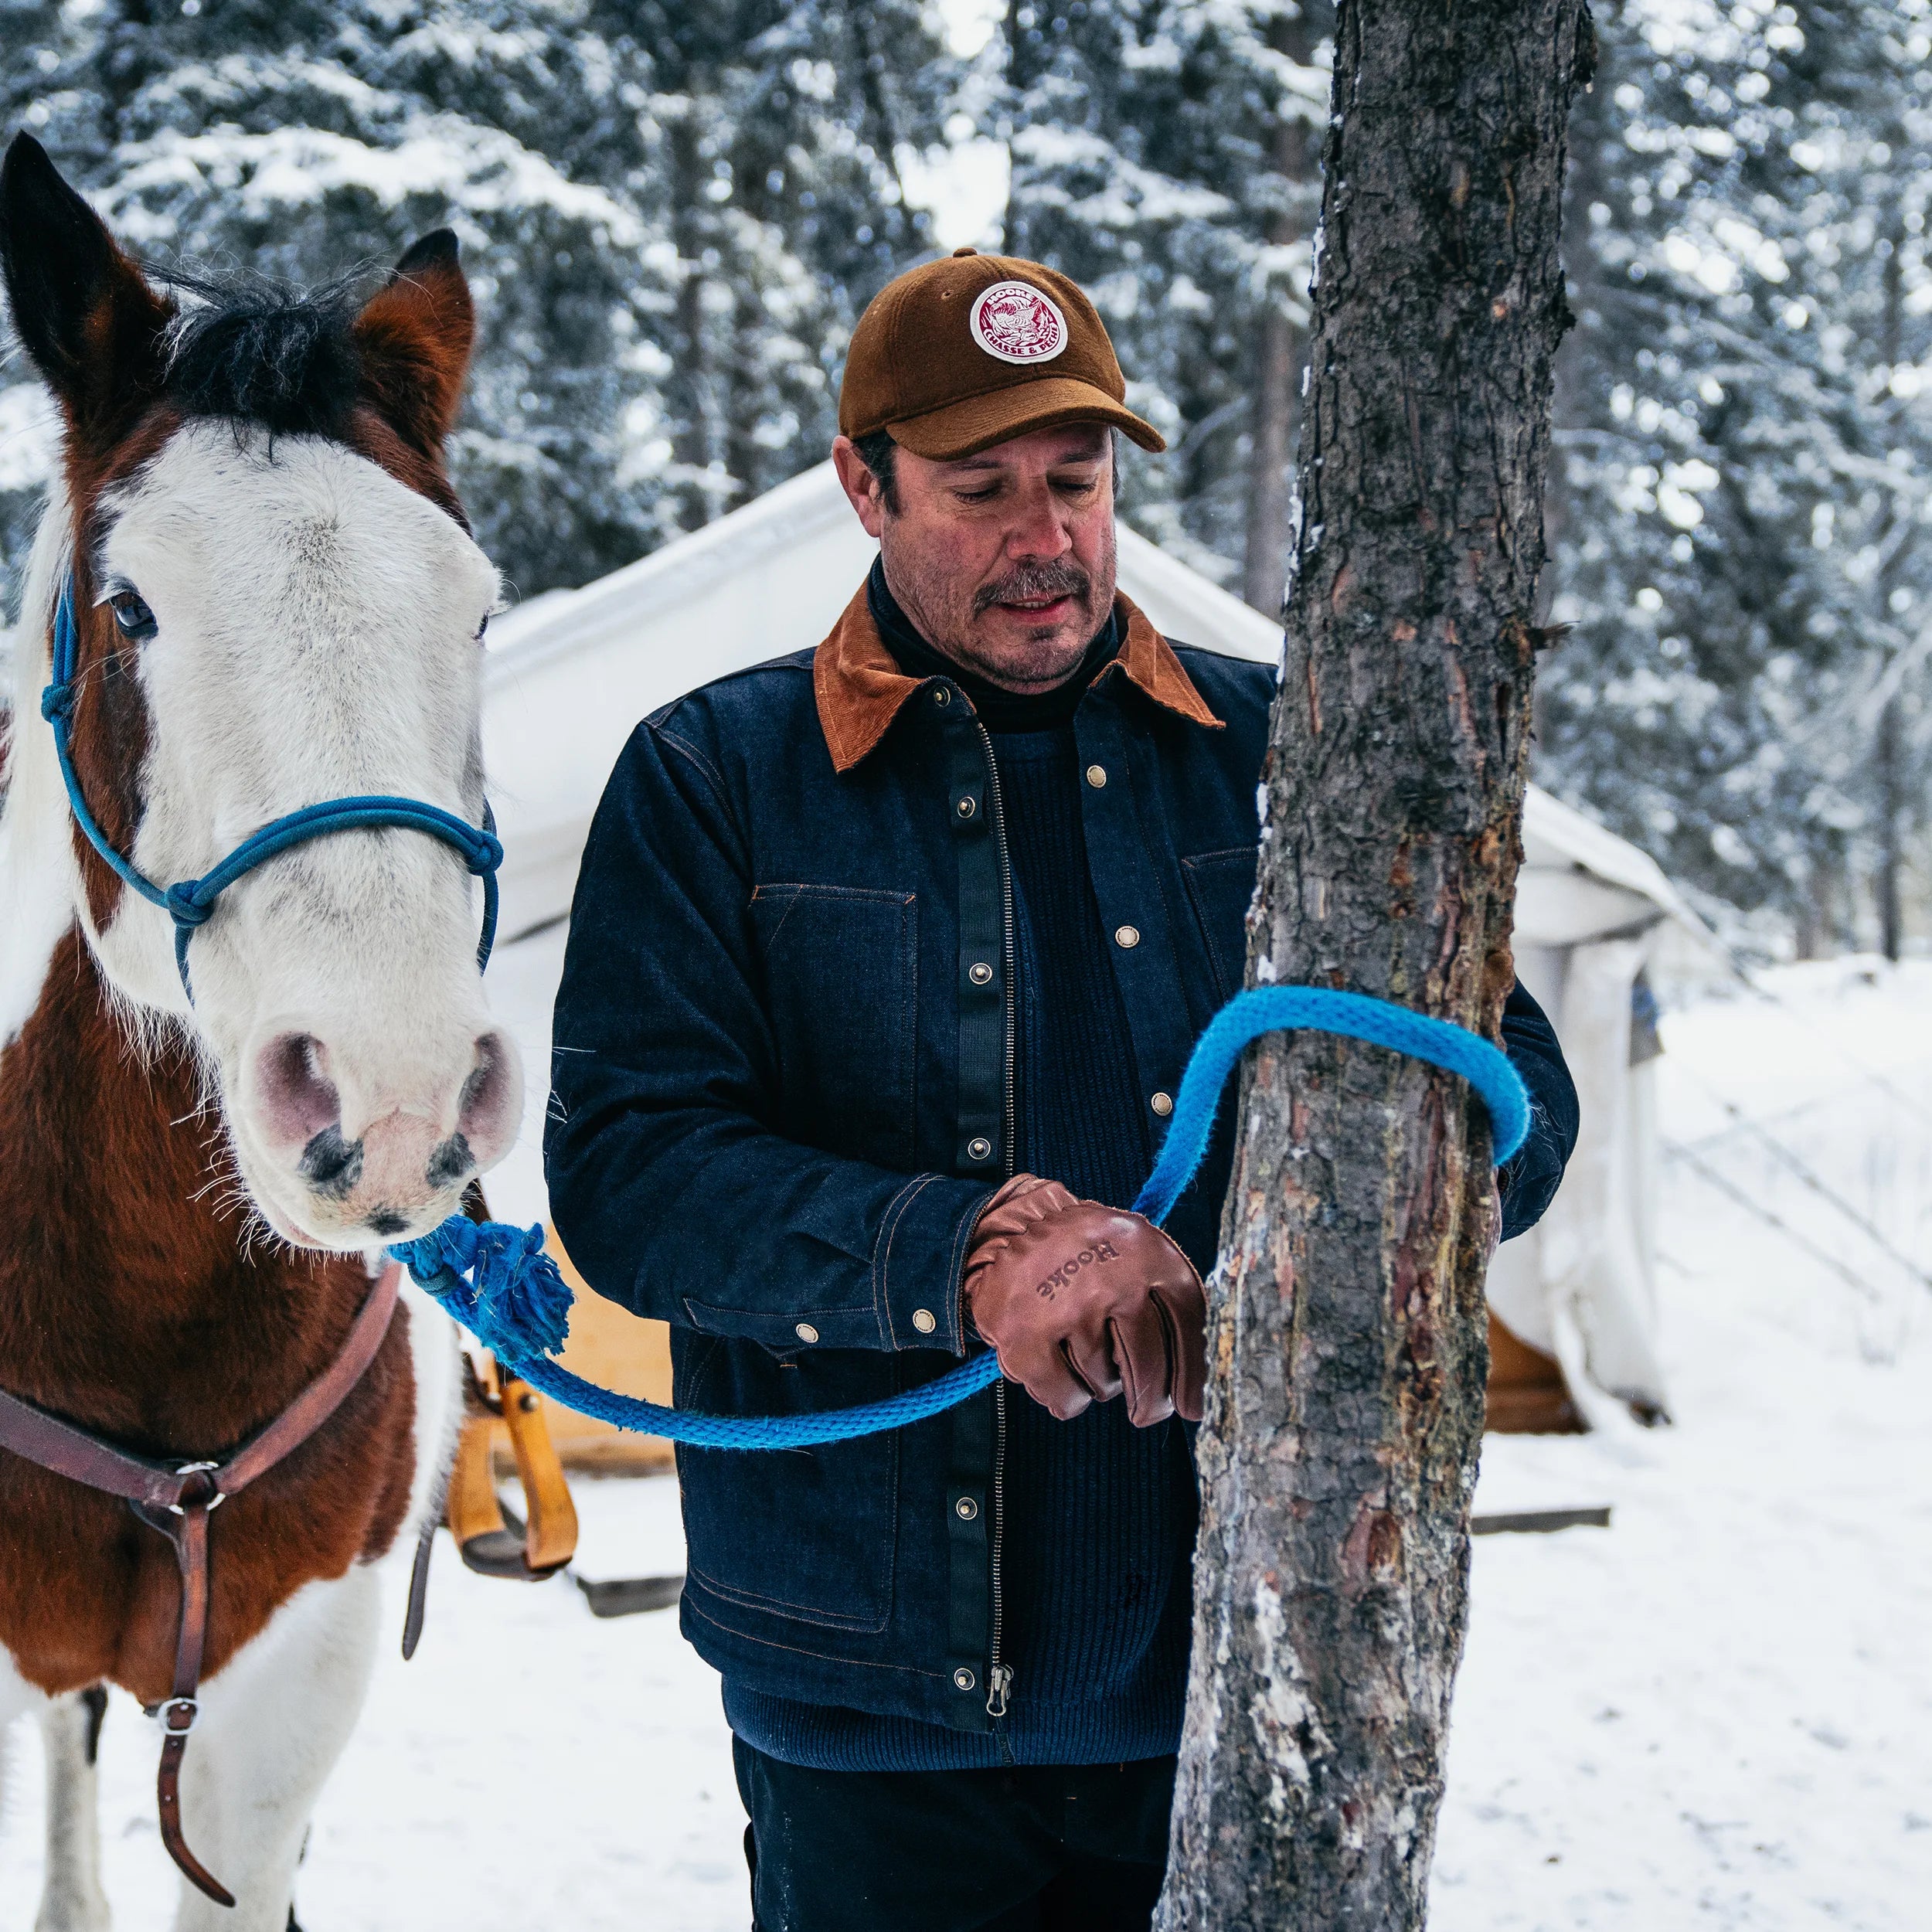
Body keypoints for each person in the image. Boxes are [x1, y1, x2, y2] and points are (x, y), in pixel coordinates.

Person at [545, 249, 1579, 1932]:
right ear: (860, 485)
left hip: (1252, 1683)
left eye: (1076, 482)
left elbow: (1511, 1080)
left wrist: (1267, 1258)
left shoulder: (1280, 755)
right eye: (981, 488)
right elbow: (633, 1176)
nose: (1047, 538)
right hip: (871, 1742)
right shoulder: (709, 778)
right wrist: (961, 1250)